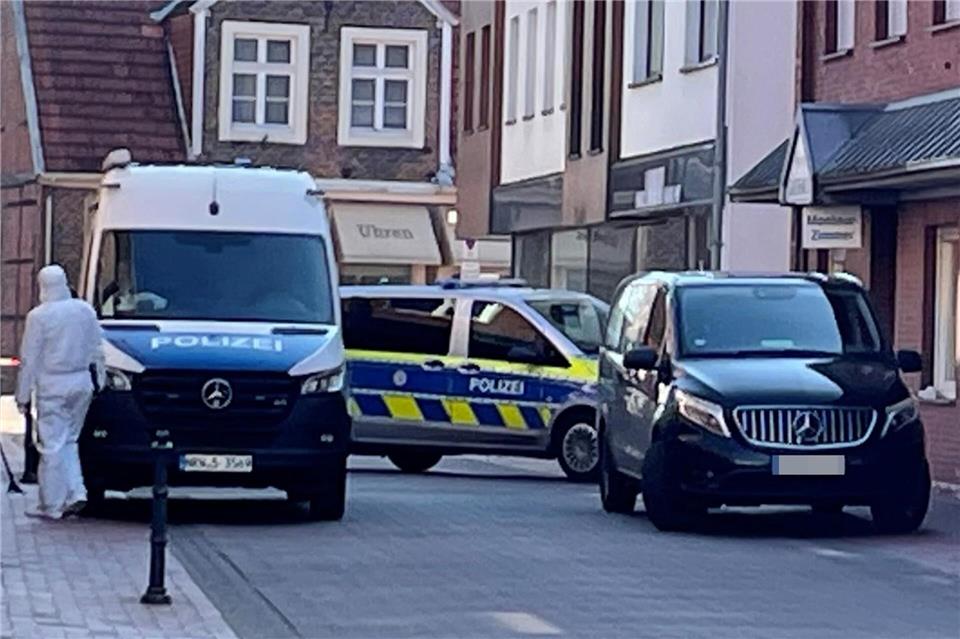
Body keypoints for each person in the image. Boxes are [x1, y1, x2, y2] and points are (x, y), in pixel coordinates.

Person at [15, 265, 104, 519]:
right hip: (81, 383)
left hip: (53, 385)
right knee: (69, 441)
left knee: (52, 445)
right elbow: (97, 348)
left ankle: (52, 504)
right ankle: (75, 492)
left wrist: (22, 395)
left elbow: (29, 359)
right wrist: (100, 378)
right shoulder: (84, 310)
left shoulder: (39, 316)